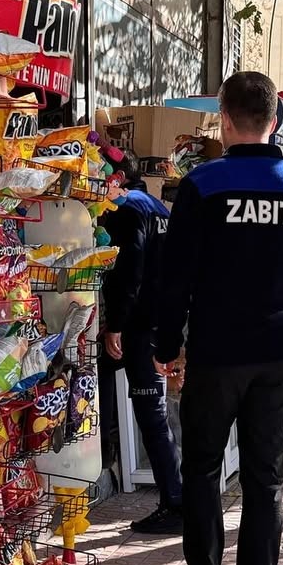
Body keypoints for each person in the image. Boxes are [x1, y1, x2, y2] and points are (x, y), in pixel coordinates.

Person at [152, 71, 283, 565]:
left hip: (217, 355)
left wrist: (165, 345)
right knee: (265, 479)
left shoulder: (204, 186)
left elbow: (173, 276)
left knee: (203, 470)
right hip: (279, 356)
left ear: (225, 120)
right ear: (275, 122)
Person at [97, 145, 184, 534]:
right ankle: (177, 499)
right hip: (160, 324)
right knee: (156, 415)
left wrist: (114, 323)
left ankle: (175, 504)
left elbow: (127, 273)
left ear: (113, 179)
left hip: (141, 327)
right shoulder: (156, 208)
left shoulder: (126, 211)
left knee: (152, 416)